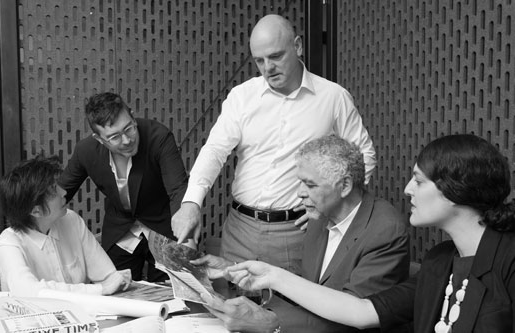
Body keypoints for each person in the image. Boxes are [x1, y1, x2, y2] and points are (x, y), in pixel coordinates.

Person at [213, 134, 515, 332]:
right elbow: (361, 311)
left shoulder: (509, 260)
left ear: (454, 190)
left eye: (419, 182)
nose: (407, 190)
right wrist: (267, 275)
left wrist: (270, 323)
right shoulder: (439, 262)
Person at [172, 14, 376, 274]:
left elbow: (365, 155)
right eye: (259, 60)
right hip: (240, 228)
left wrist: (331, 203)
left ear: (298, 46)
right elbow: (214, 151)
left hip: (297, 232)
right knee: (232, 307)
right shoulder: (242, 96)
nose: (268, 67)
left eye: (276, 56)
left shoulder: (333, 97)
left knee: (291, 310)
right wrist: (191, 203)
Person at [193, 136, 410, 332]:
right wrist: (233, 269)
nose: (300, 193)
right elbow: (303, 283)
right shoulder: (321, 216)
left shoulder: (385, 229)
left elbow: (354, 317)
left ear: (344, 185)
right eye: (300, 182)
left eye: (310, 185)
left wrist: (272, 322)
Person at [58, 92, 188, 282]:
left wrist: (185, 235)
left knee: (169, 295)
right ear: (99, 138)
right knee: (117, 292)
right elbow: (62, 192)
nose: (126, 140)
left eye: (129, 129)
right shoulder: (86, 151)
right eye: (115, 137)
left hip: (163, 228)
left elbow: (178, 189)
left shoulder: (157, 136)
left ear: (133, 116)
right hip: (121, 230)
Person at [0, 155, 131, 297]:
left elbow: (108, 277)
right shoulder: (9, 243)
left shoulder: (70, 220)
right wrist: (100, 290)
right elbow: (28, 291)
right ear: (36, 210)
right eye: (54, 191)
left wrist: (116, 283)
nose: (64, 192)